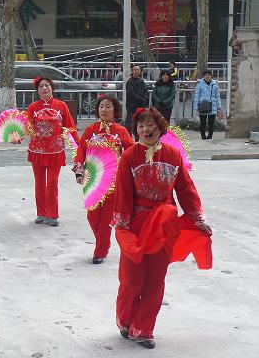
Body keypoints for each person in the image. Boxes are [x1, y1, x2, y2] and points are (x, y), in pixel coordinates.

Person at [113, 107, 212, 349]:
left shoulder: (173, 155)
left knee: (156, 278)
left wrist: (197, 219)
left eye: (150, 125)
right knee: (131, 278)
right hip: (136, 224)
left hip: (164, 225)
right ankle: (125, 319)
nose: (145, 130)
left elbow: (186, 190)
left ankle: (143, 329)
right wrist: (122, 226)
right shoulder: (129, 157)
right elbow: (123, 193)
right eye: (140, 126)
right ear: (136, 130)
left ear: (160, 128)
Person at [73, 95, 134, 264]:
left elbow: (131, 152)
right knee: (92, 217)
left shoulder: (121, 132)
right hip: (92, 180)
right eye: (101, 106)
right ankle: (104, 243)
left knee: (106, 219)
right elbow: (81, 150)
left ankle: (100, 251)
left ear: (115, 110)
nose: (104, 110)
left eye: (108, 106)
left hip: (113, 181)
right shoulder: (90, 130)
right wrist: (79, 171)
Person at [26, 76, 80, 227]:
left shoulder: (61, 106)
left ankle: (52, 214)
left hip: (55, 151)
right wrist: (16, 137)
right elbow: (26, 127)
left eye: (47, 85)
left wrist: (79, 144)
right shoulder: (32, 107)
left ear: (52, 88)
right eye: (41, 86)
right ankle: (41, 213)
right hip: (37, 151)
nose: (44, 88)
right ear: (37, 91)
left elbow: (70, 126)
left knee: (52, 182)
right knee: (39, 183)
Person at [193, 70, 222, 140]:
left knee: (211, 123)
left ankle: (210, 137)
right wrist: (196, 108)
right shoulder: (199, 84)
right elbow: (196, 96)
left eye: (209, 75)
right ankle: (203, 137)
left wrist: (219, 107)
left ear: (211, 76)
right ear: (203, 76)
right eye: (206, 75)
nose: (207, 76)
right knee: (203, 123)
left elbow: (217, 97)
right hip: (202, 106)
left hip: (213, 106)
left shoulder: (215, 84)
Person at [124, 65, 149, 135]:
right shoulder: (129, 82)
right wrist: (141, 99)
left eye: (138, 70)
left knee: (140, 123)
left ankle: (138, 137)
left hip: (141, 106)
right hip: (132, 106)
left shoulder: (141, 81)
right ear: (132, 71)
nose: (137, 71)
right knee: (130, 123)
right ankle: (128, 137)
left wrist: (145, 98)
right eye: (135, 70)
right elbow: (131, 94)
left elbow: (146, 91)